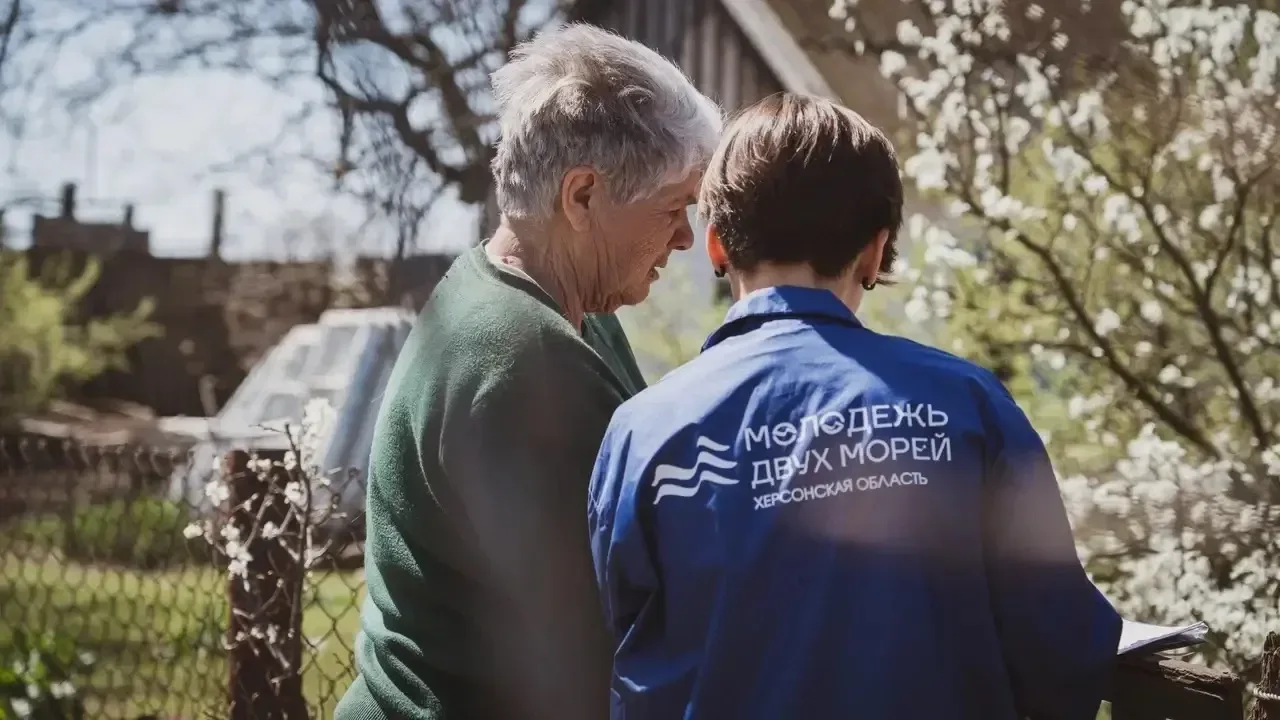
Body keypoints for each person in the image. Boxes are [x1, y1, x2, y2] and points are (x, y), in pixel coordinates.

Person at [587, 92, 1122, 720]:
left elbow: (621, 650)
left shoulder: (643, 431)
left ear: (717, 245)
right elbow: (1063, 654)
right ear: (874, 250)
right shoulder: (969, 405)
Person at [335, 23, 722, 720]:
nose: (684, 237)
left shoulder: (552, 305)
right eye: (672, 208)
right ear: (582, 196)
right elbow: (604, 629)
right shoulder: (522, 358)